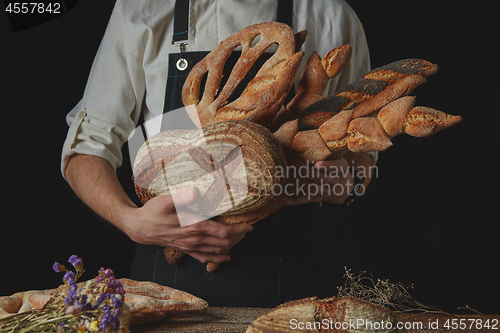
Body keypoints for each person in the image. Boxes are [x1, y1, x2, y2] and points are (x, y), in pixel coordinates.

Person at [61, 0, 375, 307]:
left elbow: (363, 154)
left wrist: (342, 183)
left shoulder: (331, 15)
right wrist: (131, 221)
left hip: (292, 293)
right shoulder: (142, 9)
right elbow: (86, 148)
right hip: (163, 294)